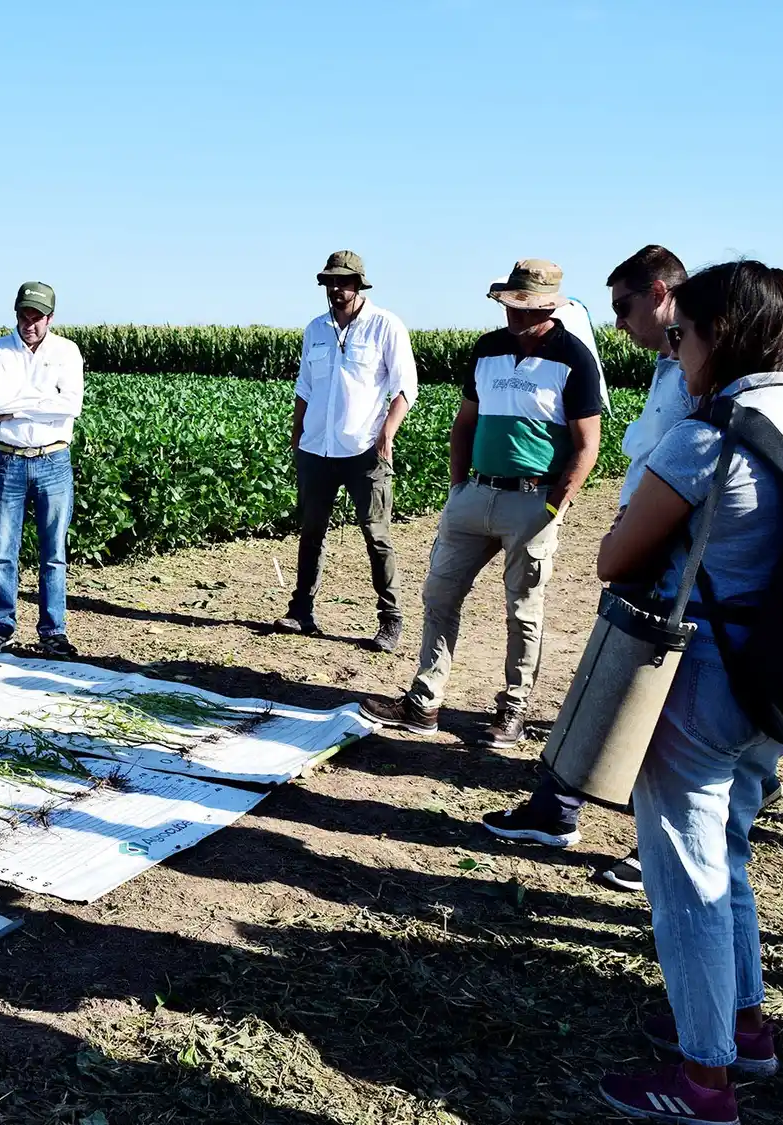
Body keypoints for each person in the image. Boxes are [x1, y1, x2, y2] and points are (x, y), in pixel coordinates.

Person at [593, 259, 783, 1124]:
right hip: (779, 675)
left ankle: (702, 1079)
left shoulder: (709, 436)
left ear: (722, 334)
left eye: (681, 336)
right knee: (732, 849)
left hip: (705, 672)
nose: (675, 353)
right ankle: (746, 1027)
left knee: (687, 874)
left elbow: (615, 557)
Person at [481, 246, 695, 891]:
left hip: (670, 555)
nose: (619, 325)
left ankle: (646, 842)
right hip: (644, 539)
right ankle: (557, 808)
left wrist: (627, 528)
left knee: (664, 704)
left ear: (660, 293)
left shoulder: (701, 364)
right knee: (609, 676)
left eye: (625, 308)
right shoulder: (668, 361)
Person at [360, 260, 602, 748]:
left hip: (533, 502)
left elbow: (587, 444)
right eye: (510, 304)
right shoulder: (487, 349)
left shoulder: (574, 358)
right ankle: (424, 701)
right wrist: (458, 487)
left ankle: (513, 708)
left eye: (525, 306)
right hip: (475, 495)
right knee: (440, 596)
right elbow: (465, 423)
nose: (514, 314)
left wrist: (554, 507)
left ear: (549, 307)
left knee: (523, 609)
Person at [275, 251, 418, 652]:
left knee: (376, 534)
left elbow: (406, 386)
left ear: (359, 284)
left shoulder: (385, 325)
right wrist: (297, 431)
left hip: (364, 449)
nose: (336, 289)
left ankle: (391, 620)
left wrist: (387, 432)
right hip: (316, 447)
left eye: (344, 282)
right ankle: (301, 609)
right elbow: (305, 385)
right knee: (312, 530)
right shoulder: (316, 329)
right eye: (330, 283)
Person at [0, 282, 84, 657]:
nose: (29, 324)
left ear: (50, 318)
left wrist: (16, 405)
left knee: (53, 553)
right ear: (16, 315)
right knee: (4, 551)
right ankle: (2, 626)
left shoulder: (67, 352)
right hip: (8, 460)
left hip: (54, 460)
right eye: (24, 316)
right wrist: (44, 400)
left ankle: (53, 632)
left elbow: (70, 406)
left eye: (36, 317)